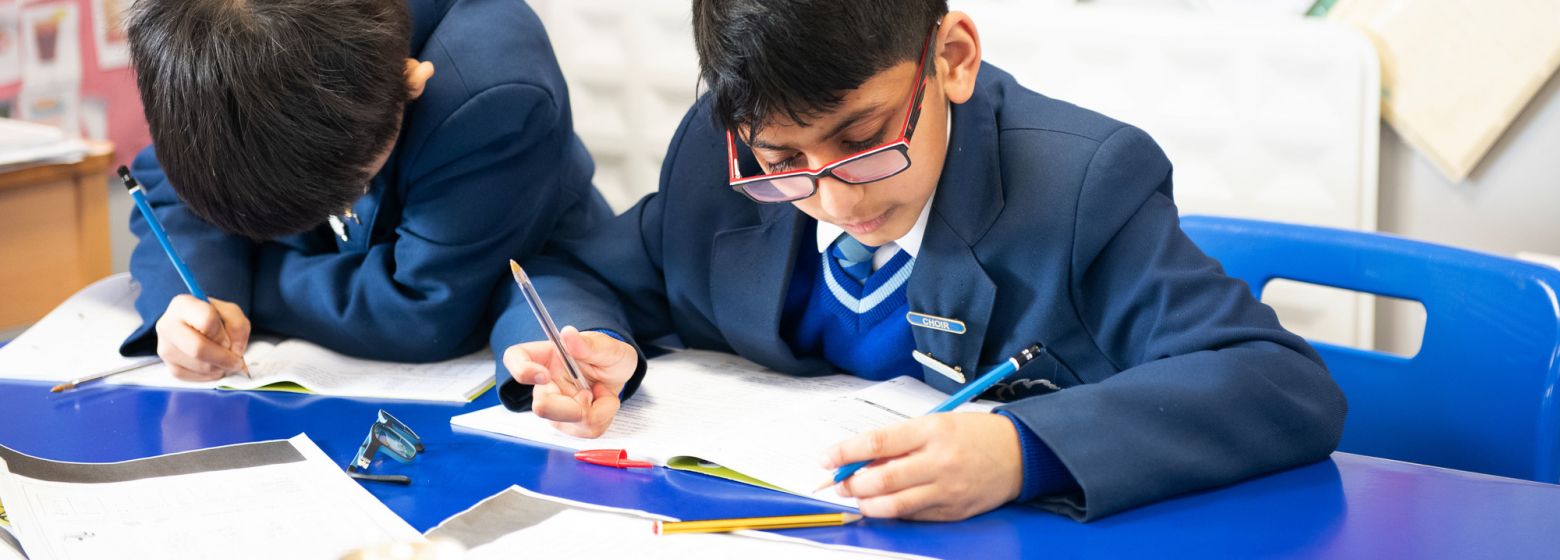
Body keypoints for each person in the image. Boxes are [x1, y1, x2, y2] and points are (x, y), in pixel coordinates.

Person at [497, 0, 1346, 522]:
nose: (834, 197)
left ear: (953, 59)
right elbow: (583, 269)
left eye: (863, 140)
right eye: (781, 161)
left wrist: (1021, 452)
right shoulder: (722, 160)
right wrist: (587, 347)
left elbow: (1278, 382)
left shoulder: (1083, 184)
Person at [119, 0, 610, 379]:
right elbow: (171, 184)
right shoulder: (200, 50)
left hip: (520, 328)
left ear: (408, 82)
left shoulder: (491, 91)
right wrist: (192, 300)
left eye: (351, 181)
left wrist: (250, 282)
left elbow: (421, 312)